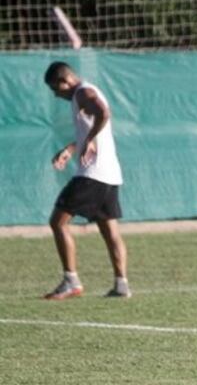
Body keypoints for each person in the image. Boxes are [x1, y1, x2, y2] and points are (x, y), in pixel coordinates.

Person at [43, 61, 131, 299]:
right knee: (109, 229)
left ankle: (71, 281)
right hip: (110, 174)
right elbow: (94, 128)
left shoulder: (82, 92)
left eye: (55, 89)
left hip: (92, 174)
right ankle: (121, 285)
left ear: (65, 81)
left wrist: (90, 139)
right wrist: (72, 149)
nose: (56, 94)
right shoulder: (82, 94)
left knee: (58, 222)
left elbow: (103, 112)